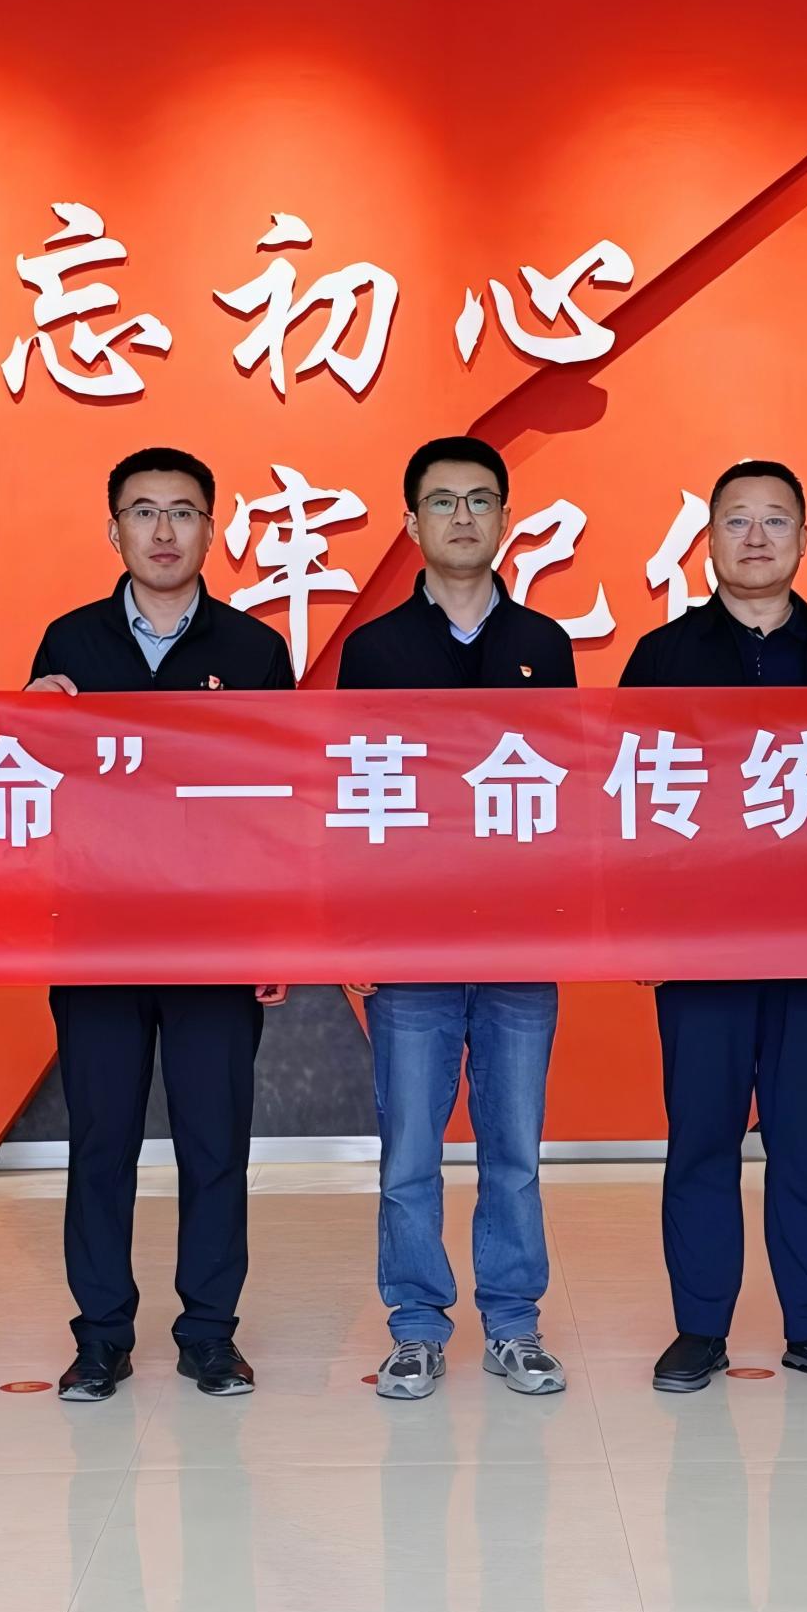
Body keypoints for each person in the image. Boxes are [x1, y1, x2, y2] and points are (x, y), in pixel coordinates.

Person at [23, 444, 291, 1402]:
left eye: (183, 512)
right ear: (114, 530)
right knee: (101, 1142)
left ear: (212, 530)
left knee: (215, 1141)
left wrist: (275, 934)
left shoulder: (254, 650)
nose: (163, 529)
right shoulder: (68, 642)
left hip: (215, 939)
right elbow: (34, 786)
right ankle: (101, 1335)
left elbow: (280, 803)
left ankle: (209, 1332)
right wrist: (30, 715)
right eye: (143, 511)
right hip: (96, 935)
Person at [623, 460, 807, 1396]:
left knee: (805, 1137)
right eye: (736, 519)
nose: (755, 536)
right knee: (701, 1137)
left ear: (804, 539)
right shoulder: (662, 658)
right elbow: (625, 798)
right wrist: (641, 928)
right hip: (700, 945)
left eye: (776, 519)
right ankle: (700, 1327)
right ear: (707, 539)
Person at [334, 434, 580, 1401]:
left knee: (514, 1151)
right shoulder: (376, 649)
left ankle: (514, 1323)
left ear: (506, 518)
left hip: (519, 940)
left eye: (481, 499)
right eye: (442, 501)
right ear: (412, 523)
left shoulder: (544, 645)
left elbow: (566, 794)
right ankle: (415, 1326)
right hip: (412, 943)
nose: (463, 516)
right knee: (410, 1153)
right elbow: (352, 797)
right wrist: (355, 929)